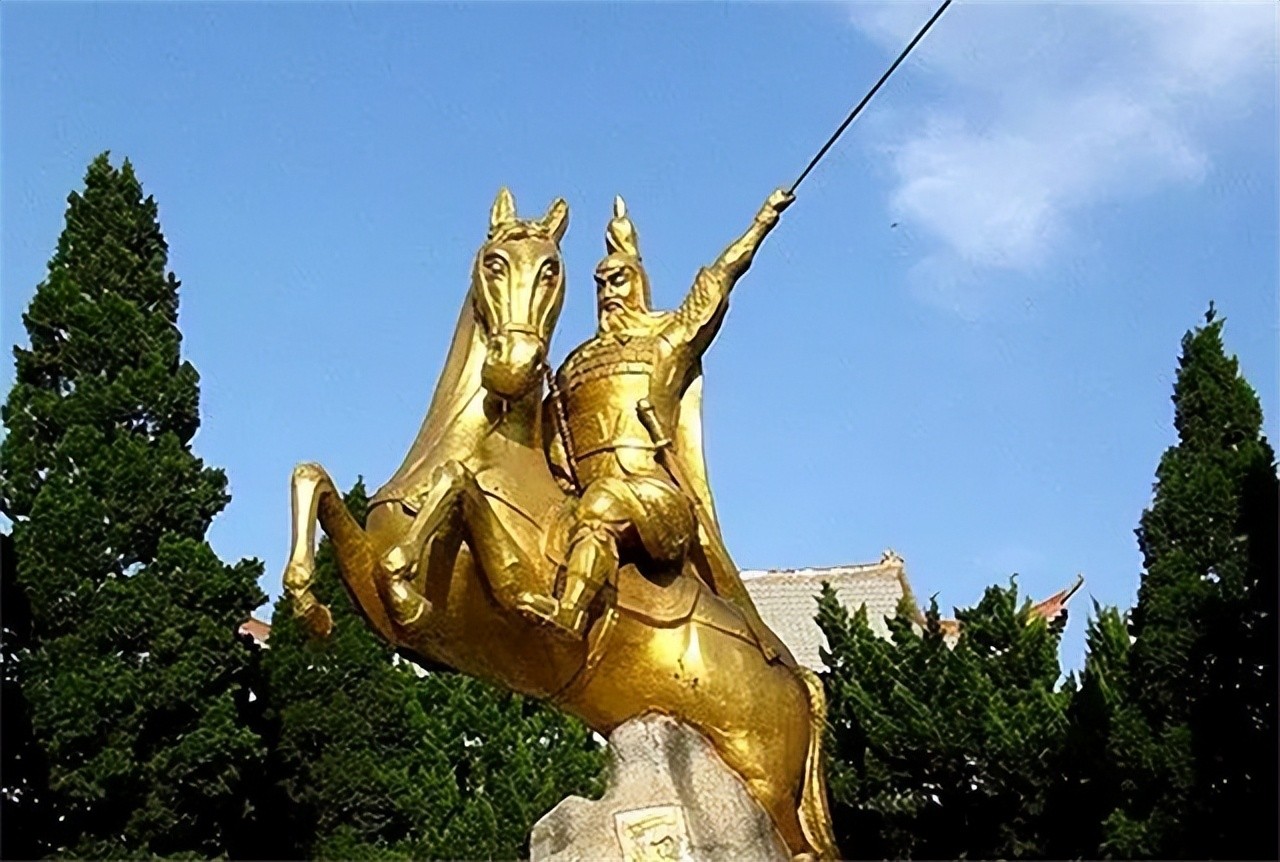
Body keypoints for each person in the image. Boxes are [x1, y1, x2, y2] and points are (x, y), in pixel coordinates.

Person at [518, 188, 793, 648]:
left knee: (602, 500)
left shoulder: (665, 343)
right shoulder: (571, 366)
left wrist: (761, 222)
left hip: (656, 502)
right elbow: (554, 449)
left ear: (639, 283)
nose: (609, 293)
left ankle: (568, 615)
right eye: (601, 284)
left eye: (618, 281)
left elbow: (718, 280)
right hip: (588, 504)